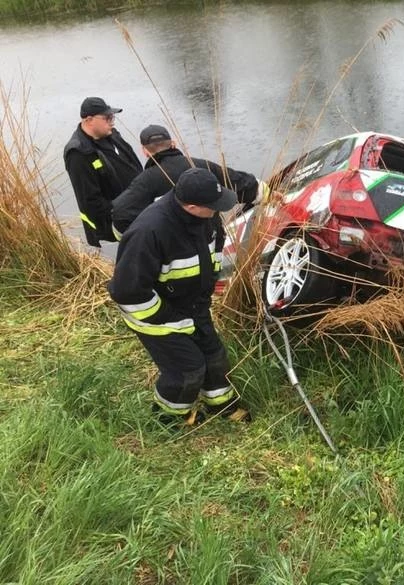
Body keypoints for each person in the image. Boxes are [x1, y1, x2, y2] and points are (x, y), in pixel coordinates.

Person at [107, 167, 251, 427]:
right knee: (188, 369)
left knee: (214, 356)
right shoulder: (149, 232)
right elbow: (127, 292)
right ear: (193, 206)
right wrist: (170, 321)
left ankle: (221, 406)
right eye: (214, 206)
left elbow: (213, 251)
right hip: (154, 315)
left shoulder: (207, 218)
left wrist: (211, 284)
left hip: (193, 304)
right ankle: (169, 420)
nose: (220, 211)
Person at [111, 124, 258, 237]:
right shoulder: (201, 167)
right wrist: (266, 193)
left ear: (145, 151)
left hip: (170, 250)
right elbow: (244, 184)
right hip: (209, 241)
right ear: (173, 144)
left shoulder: (144, 182)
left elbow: (120, 214)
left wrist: (139, 239)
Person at [63, 97, 143, 247]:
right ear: (89, 120)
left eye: (112, 117)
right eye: (107, 117)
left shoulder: (111, 134)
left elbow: (133, 164)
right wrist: (124, 212)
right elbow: (90, 201)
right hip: (113, 221)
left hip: (136, 209)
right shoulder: (78, 153)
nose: (112, 121)